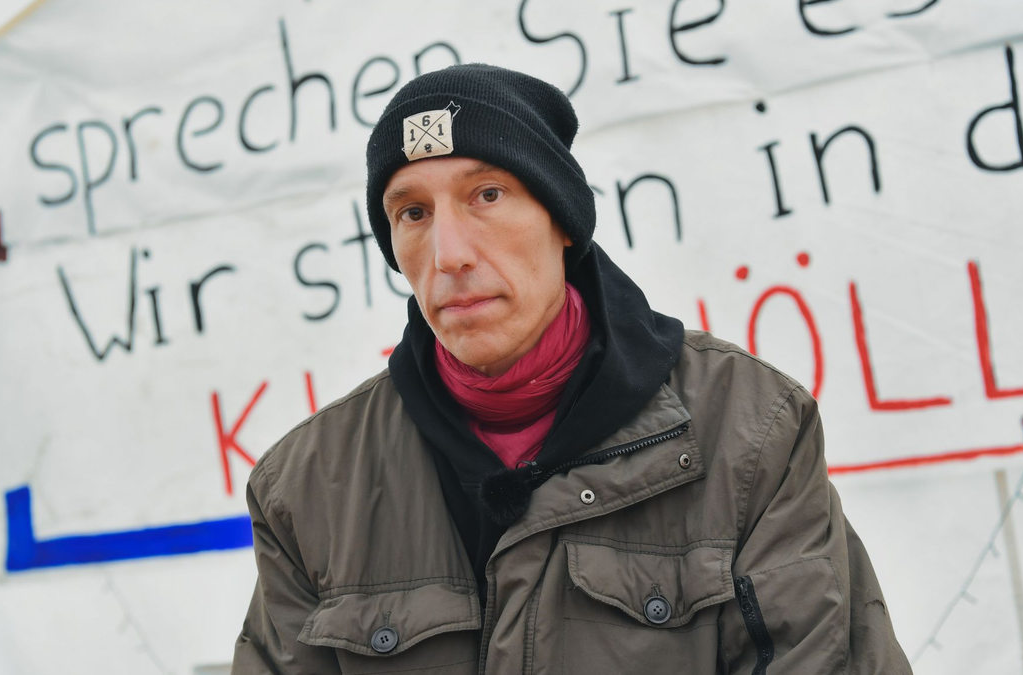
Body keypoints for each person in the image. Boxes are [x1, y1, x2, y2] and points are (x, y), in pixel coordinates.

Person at [232, 64, 911, 675]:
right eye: (412, 211)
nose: (449, 252)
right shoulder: (308, 488)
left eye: (488, 194)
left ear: (560, 219)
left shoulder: (750, 428)